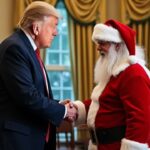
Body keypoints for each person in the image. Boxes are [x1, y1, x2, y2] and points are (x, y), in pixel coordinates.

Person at [0, 1, 77, 150]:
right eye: (53, 26)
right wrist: (64, 111)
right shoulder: (15, 48)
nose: (56, 32)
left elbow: (32, 92)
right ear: (36, 27)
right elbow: (27, 97)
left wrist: (58, 104)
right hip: (17, 141)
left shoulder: (25, 48)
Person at [73, 19, 150, 150]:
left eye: (103, 43)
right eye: (98, 43)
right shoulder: (113, 72)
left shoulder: (133, 73)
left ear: (118, 46)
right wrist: (75, 109)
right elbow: (103, 104)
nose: (98, 48)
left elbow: (141, 119)